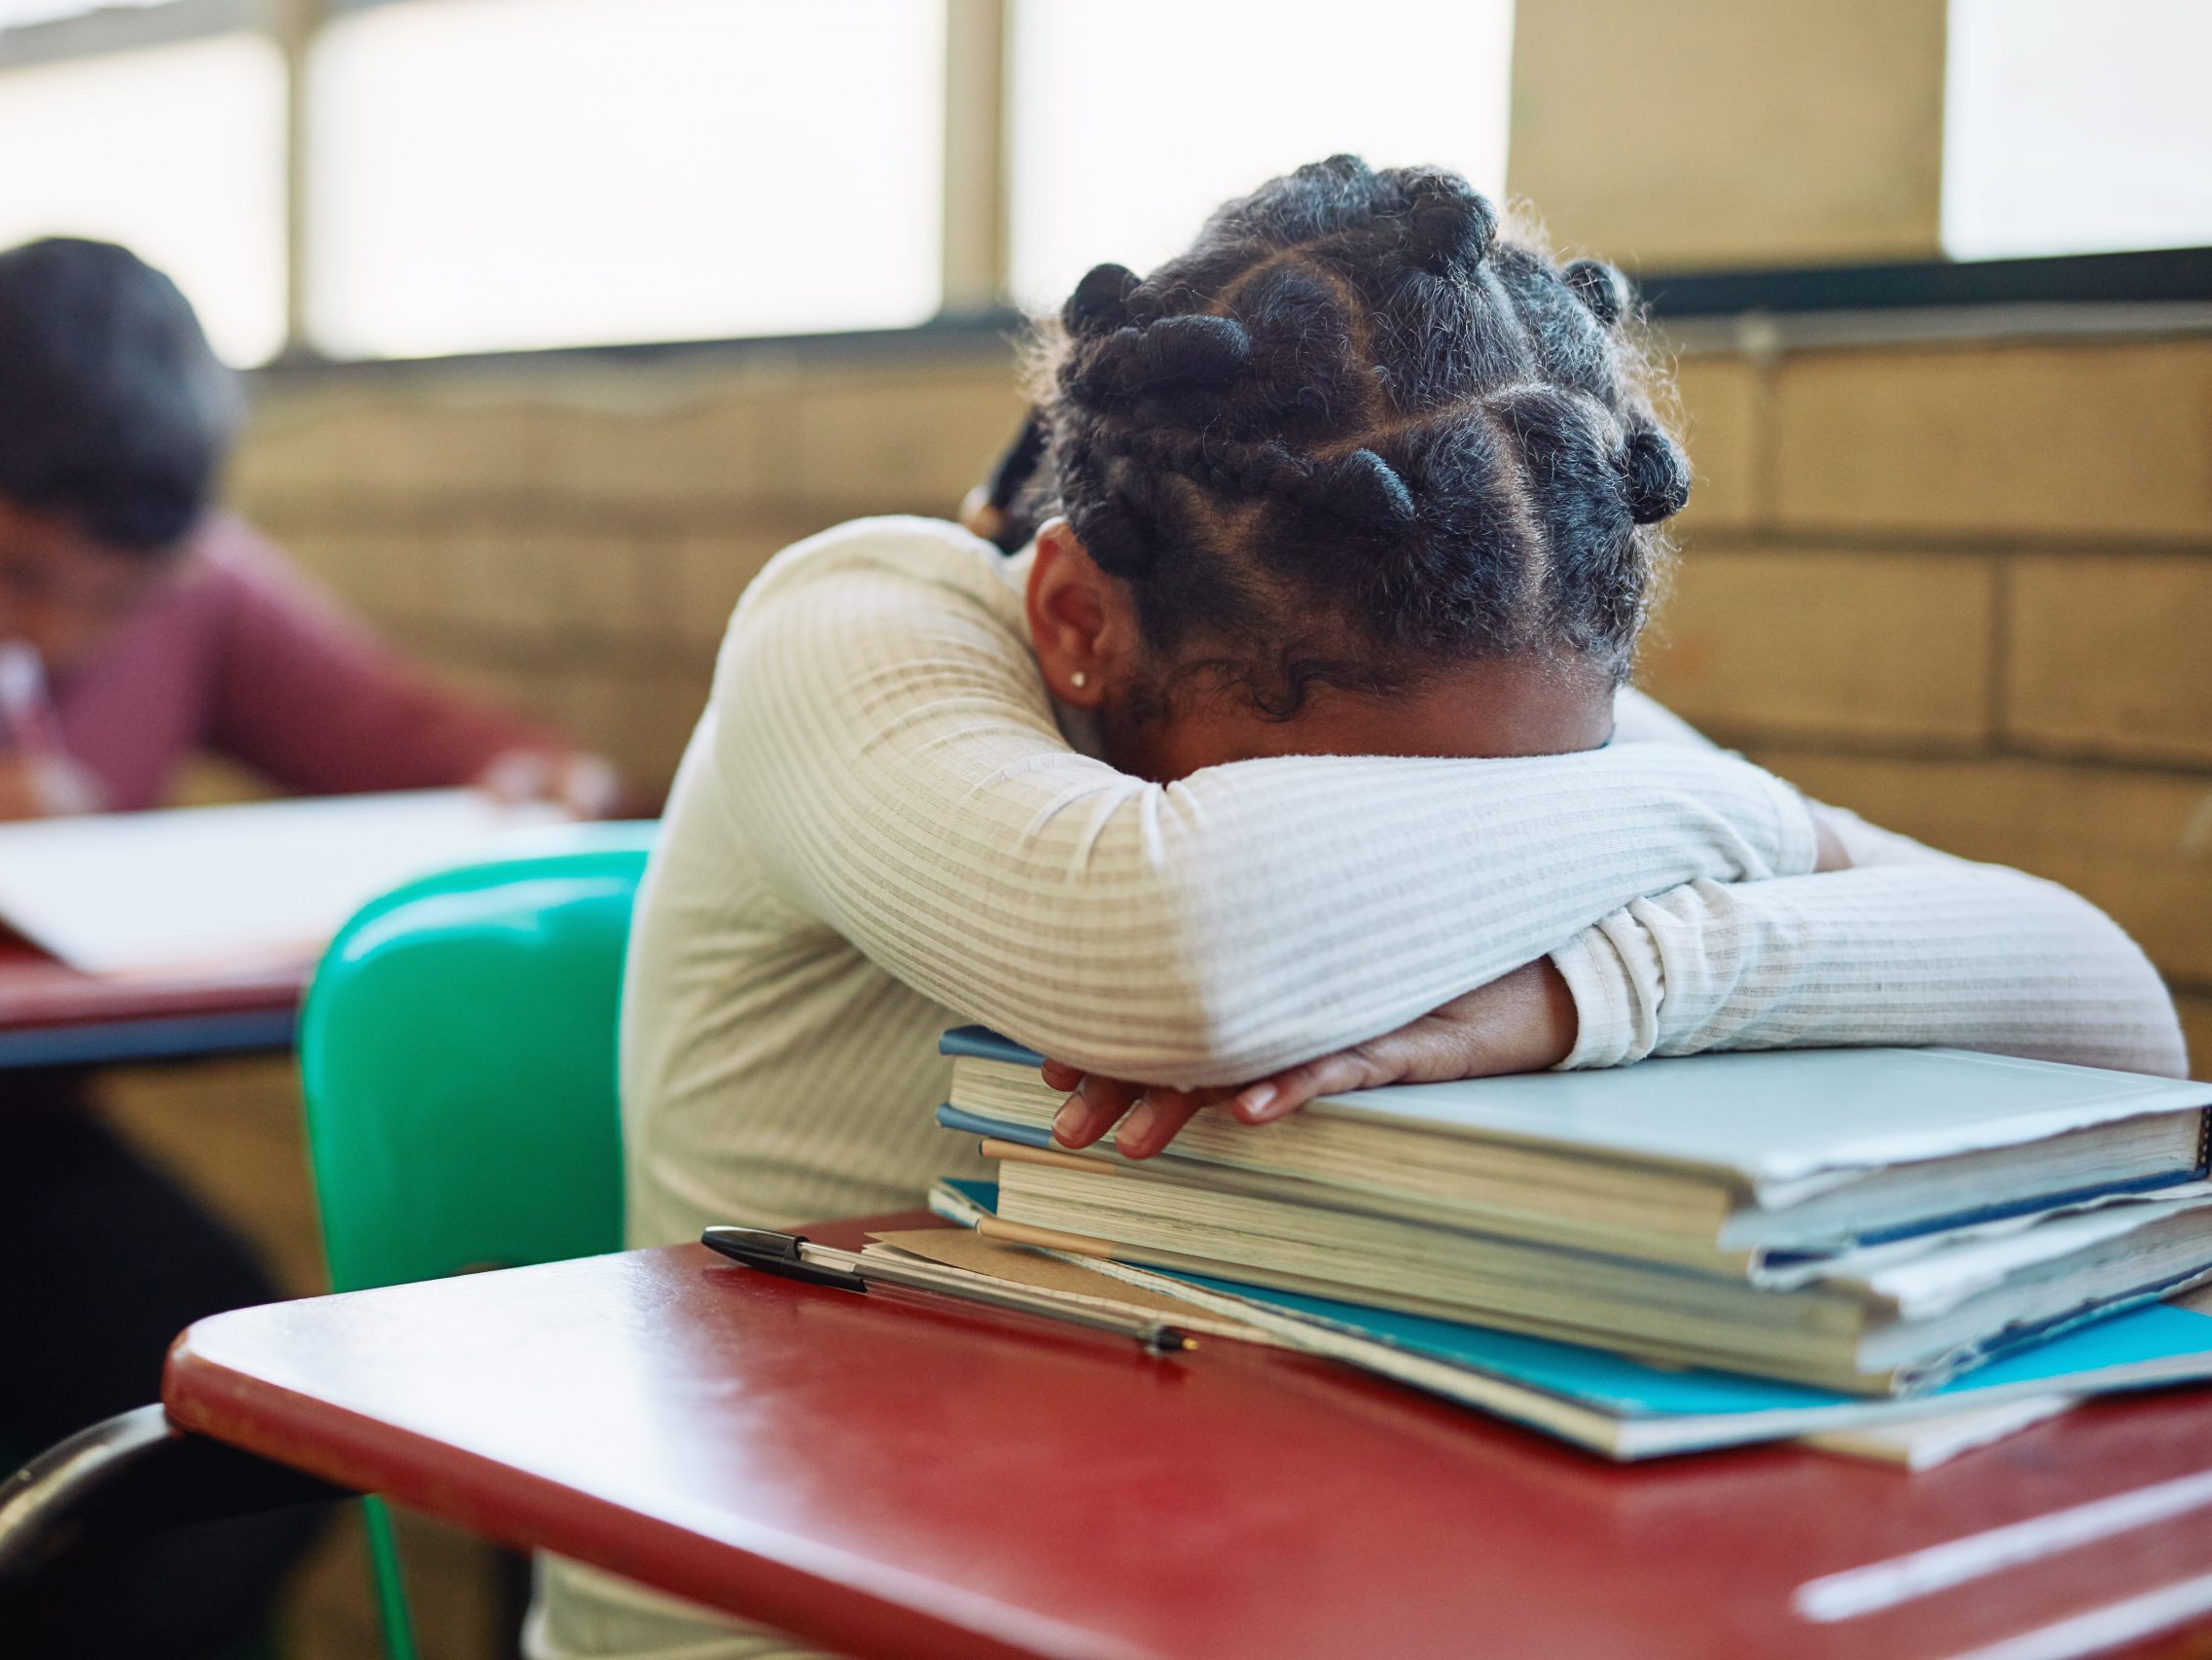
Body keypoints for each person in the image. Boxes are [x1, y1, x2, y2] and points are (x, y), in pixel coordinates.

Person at [530, 157, 2186, 1659]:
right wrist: (1733, 815)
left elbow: (2106, 1015)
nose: (1482, 848)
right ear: (1078, 620)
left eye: (1545, 800)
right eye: (1363, 825)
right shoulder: (857, 622)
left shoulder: (1497, 676)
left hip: (1245, 1562)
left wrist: (1600, 981)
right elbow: (1181, 954)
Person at [0, 237, 624, 1660]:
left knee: (255, 1439)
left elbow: (427, 737)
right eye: (14, 573)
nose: (65, 639)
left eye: (117, 601)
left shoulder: (200, 587)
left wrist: (530, 781)